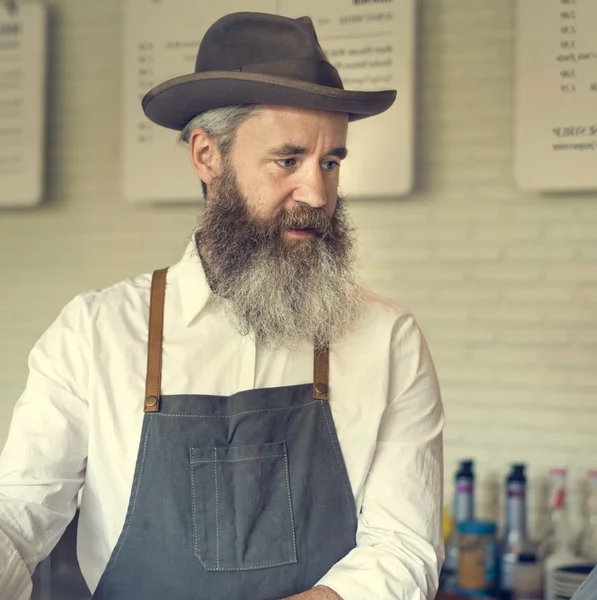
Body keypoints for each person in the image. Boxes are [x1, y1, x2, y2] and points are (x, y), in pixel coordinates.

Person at [0, 12, 444, 600]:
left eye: (331, 162)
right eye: (288, 160)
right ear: (207, 157)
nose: (317, 193)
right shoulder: (95, 333)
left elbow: (404, 546)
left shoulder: (389, 339)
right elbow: (19, 514)